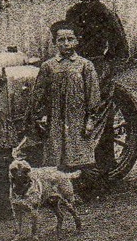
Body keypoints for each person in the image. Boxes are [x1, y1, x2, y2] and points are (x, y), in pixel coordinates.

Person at [28, 20, 103, 173]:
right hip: (54, 120)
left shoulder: (85, 65)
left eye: (70, 39)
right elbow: (39, 94)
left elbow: (93, 94)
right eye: (61, 40)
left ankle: (84, 192)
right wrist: (40, 115)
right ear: (55, 42)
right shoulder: (48, 66)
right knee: (55, 160)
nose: (66, 44)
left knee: (80, 158)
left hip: (78, 119)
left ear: (77, 41)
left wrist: (91, 120)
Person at [64, 0, 130, 91]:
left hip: (98, 64)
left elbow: (120, 44)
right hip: (75, 64)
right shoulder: (72, 13)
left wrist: (109, 66)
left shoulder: (105, 13)